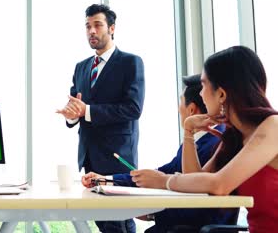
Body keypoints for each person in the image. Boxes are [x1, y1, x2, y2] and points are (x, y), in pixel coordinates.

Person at [131, 46, 278, 233]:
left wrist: (163, 180)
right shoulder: (236, 138)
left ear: (222, 94)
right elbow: (198, 186)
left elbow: (219, 184)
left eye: (203, 85)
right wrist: (189, 131)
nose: (200, 94)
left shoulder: (273, 127)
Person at [82, 74, 237, 232]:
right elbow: (160, 174)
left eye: (180, 103)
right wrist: (108, 179)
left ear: (191, 109)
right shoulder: (202, 142)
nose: (178, 109)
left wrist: (153, 213)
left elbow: (196, 196)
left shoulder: (214, 143)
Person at [57, 4, 145, 233]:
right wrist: (72, 115)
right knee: (103, 223)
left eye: (97, 25)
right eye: (87, 26)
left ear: (112, 28)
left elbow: (133, 109)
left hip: (117, 158)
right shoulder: (81, 67)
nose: (91, 31)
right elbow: (77, 107)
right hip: (89, 158)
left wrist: (86, 111)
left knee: (119, 224)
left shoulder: (130, 63)